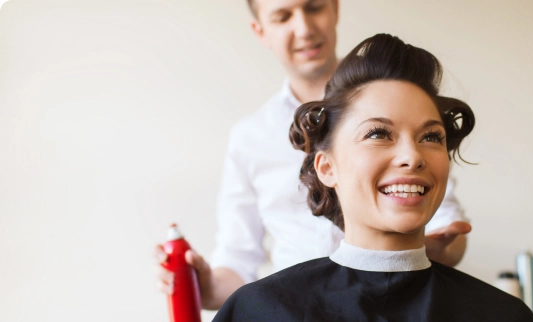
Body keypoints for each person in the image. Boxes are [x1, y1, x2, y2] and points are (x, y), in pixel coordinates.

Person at [154, 0, 472, 310]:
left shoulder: (401, 110)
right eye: (282, 16)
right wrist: (205, 287)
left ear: (335, 8)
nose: (304, 28)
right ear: (260, 30)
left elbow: (449, 229)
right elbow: (238, 260)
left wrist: (408, 248)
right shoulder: (250, 138)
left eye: (314, 7)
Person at [212, 33, 533, 322]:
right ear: (327, 167)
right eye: (379, 133)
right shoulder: (258, 312)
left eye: (431, 137)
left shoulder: (503, 315)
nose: (413, 156)